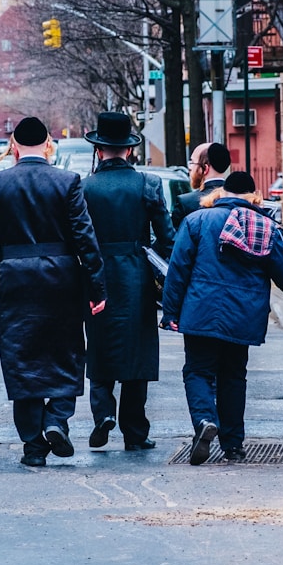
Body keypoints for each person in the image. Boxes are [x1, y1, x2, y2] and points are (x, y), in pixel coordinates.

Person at [0, 116, 107, 467]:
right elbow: (85, 239)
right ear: (49, 145)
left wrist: (2, 259)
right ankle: (57, 418)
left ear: (13, 146)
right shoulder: (67, 182)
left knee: (21, 356)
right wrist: (96, 286)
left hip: (14, 278)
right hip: (61, 275)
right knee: (66, 350)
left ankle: (33, 445)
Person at [161, 171, 283, 465]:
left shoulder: (197, 221)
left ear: (222, 193)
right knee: (233, 377)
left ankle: (204, 420)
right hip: (243, 316)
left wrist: (170, 312)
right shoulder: (266, 226)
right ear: (254, 196)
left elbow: (177, 271)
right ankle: (233, 445)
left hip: (200, 312)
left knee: (198, 371)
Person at [82, 112, 175, 451]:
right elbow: (167, 237)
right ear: (129, 150)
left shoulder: (85, 187)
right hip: (136, 273)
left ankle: (103, 412)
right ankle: (135, 430)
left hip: (98, 273)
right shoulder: (147, 184)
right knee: (137, 352)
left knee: (100, 345)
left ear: (99, 149)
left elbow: (78, 236)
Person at [171, 142, 231, 229]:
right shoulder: (239, 200)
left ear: (205, 169)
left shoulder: (186, 203)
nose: (190, 167)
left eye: (192, 162)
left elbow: (172, 239)